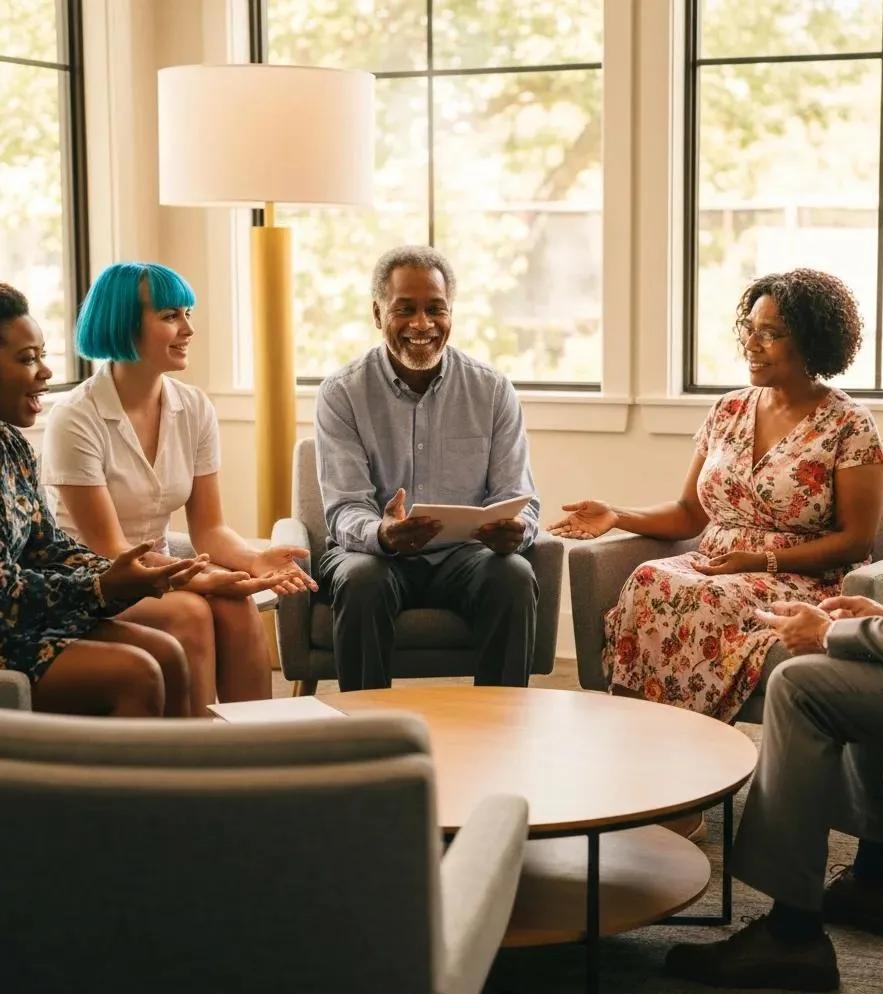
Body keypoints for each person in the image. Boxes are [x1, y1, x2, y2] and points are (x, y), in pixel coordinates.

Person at [663, 261, 883, 993]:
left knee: (803, 684)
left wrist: (828, 633)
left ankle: (793, 935)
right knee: (866, 658)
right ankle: (878, 879)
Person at [550, 268, 883, 721]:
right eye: (749, 330)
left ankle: (698, 744)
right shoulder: (728, 408)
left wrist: (760, 561)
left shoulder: (850, 424)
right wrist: (616, 514)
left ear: (811, 341)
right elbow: (689, 514)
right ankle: (642, 733)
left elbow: (856, 542)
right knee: (650, 577)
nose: (751, 344)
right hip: (717, 563)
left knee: (707, 598)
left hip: (801, 577)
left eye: (770, 334)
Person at [41, 262, 315, 715]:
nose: (189, 328)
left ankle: (260, 758)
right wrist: (203, 577)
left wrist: (253, 560)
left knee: (239, 609)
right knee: (192, 612)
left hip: (166, 567)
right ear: (123, 323)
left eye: (187, 313)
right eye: (170, 315)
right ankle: (194, 763)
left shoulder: (194, 407)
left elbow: (209, 529)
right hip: (97, 579)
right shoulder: (74, 417)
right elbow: (109, 550)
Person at [315, 245, 540, 690]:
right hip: (376, 557)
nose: (423, 324)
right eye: (406, 309)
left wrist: (515, 529)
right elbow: (344, 508)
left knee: (513, 575)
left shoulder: (492, 391)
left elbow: (519, 497)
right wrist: (381, 534)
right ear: (378, 314)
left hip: (463, 558)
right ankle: (367, 736)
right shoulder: (342, 393)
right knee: (361, 581)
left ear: (451, 313)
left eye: (436, 309)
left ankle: (502, 726)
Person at [0, 282, 208, 716]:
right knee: (139, 672)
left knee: (168, 654)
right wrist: (102, 585)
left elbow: (49, 548)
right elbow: (7, 593)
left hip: (26, 620)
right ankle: (124, 785)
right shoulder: (75, 416)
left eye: (41, 355)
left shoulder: (13, 447)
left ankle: (195, 780)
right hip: (9, 629)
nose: (45, 372)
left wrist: (125, 574)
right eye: (27, 359)